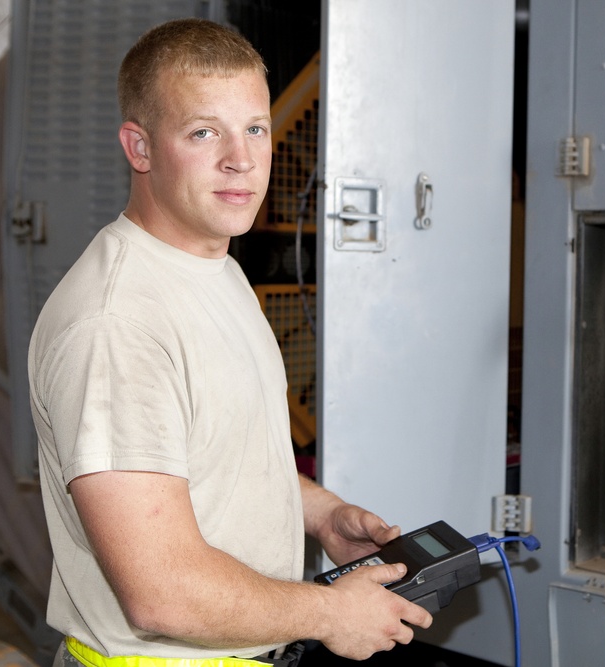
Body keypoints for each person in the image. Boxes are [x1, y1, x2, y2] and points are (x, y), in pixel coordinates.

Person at [28, 17, 432, 667]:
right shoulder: (116, 325)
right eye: (203, 132)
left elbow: (210, 455)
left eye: (254, 128)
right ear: (140, 147)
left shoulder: (217, 268)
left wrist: (323, 515)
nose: (240, 159)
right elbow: (161, 591)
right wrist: (330, 611)